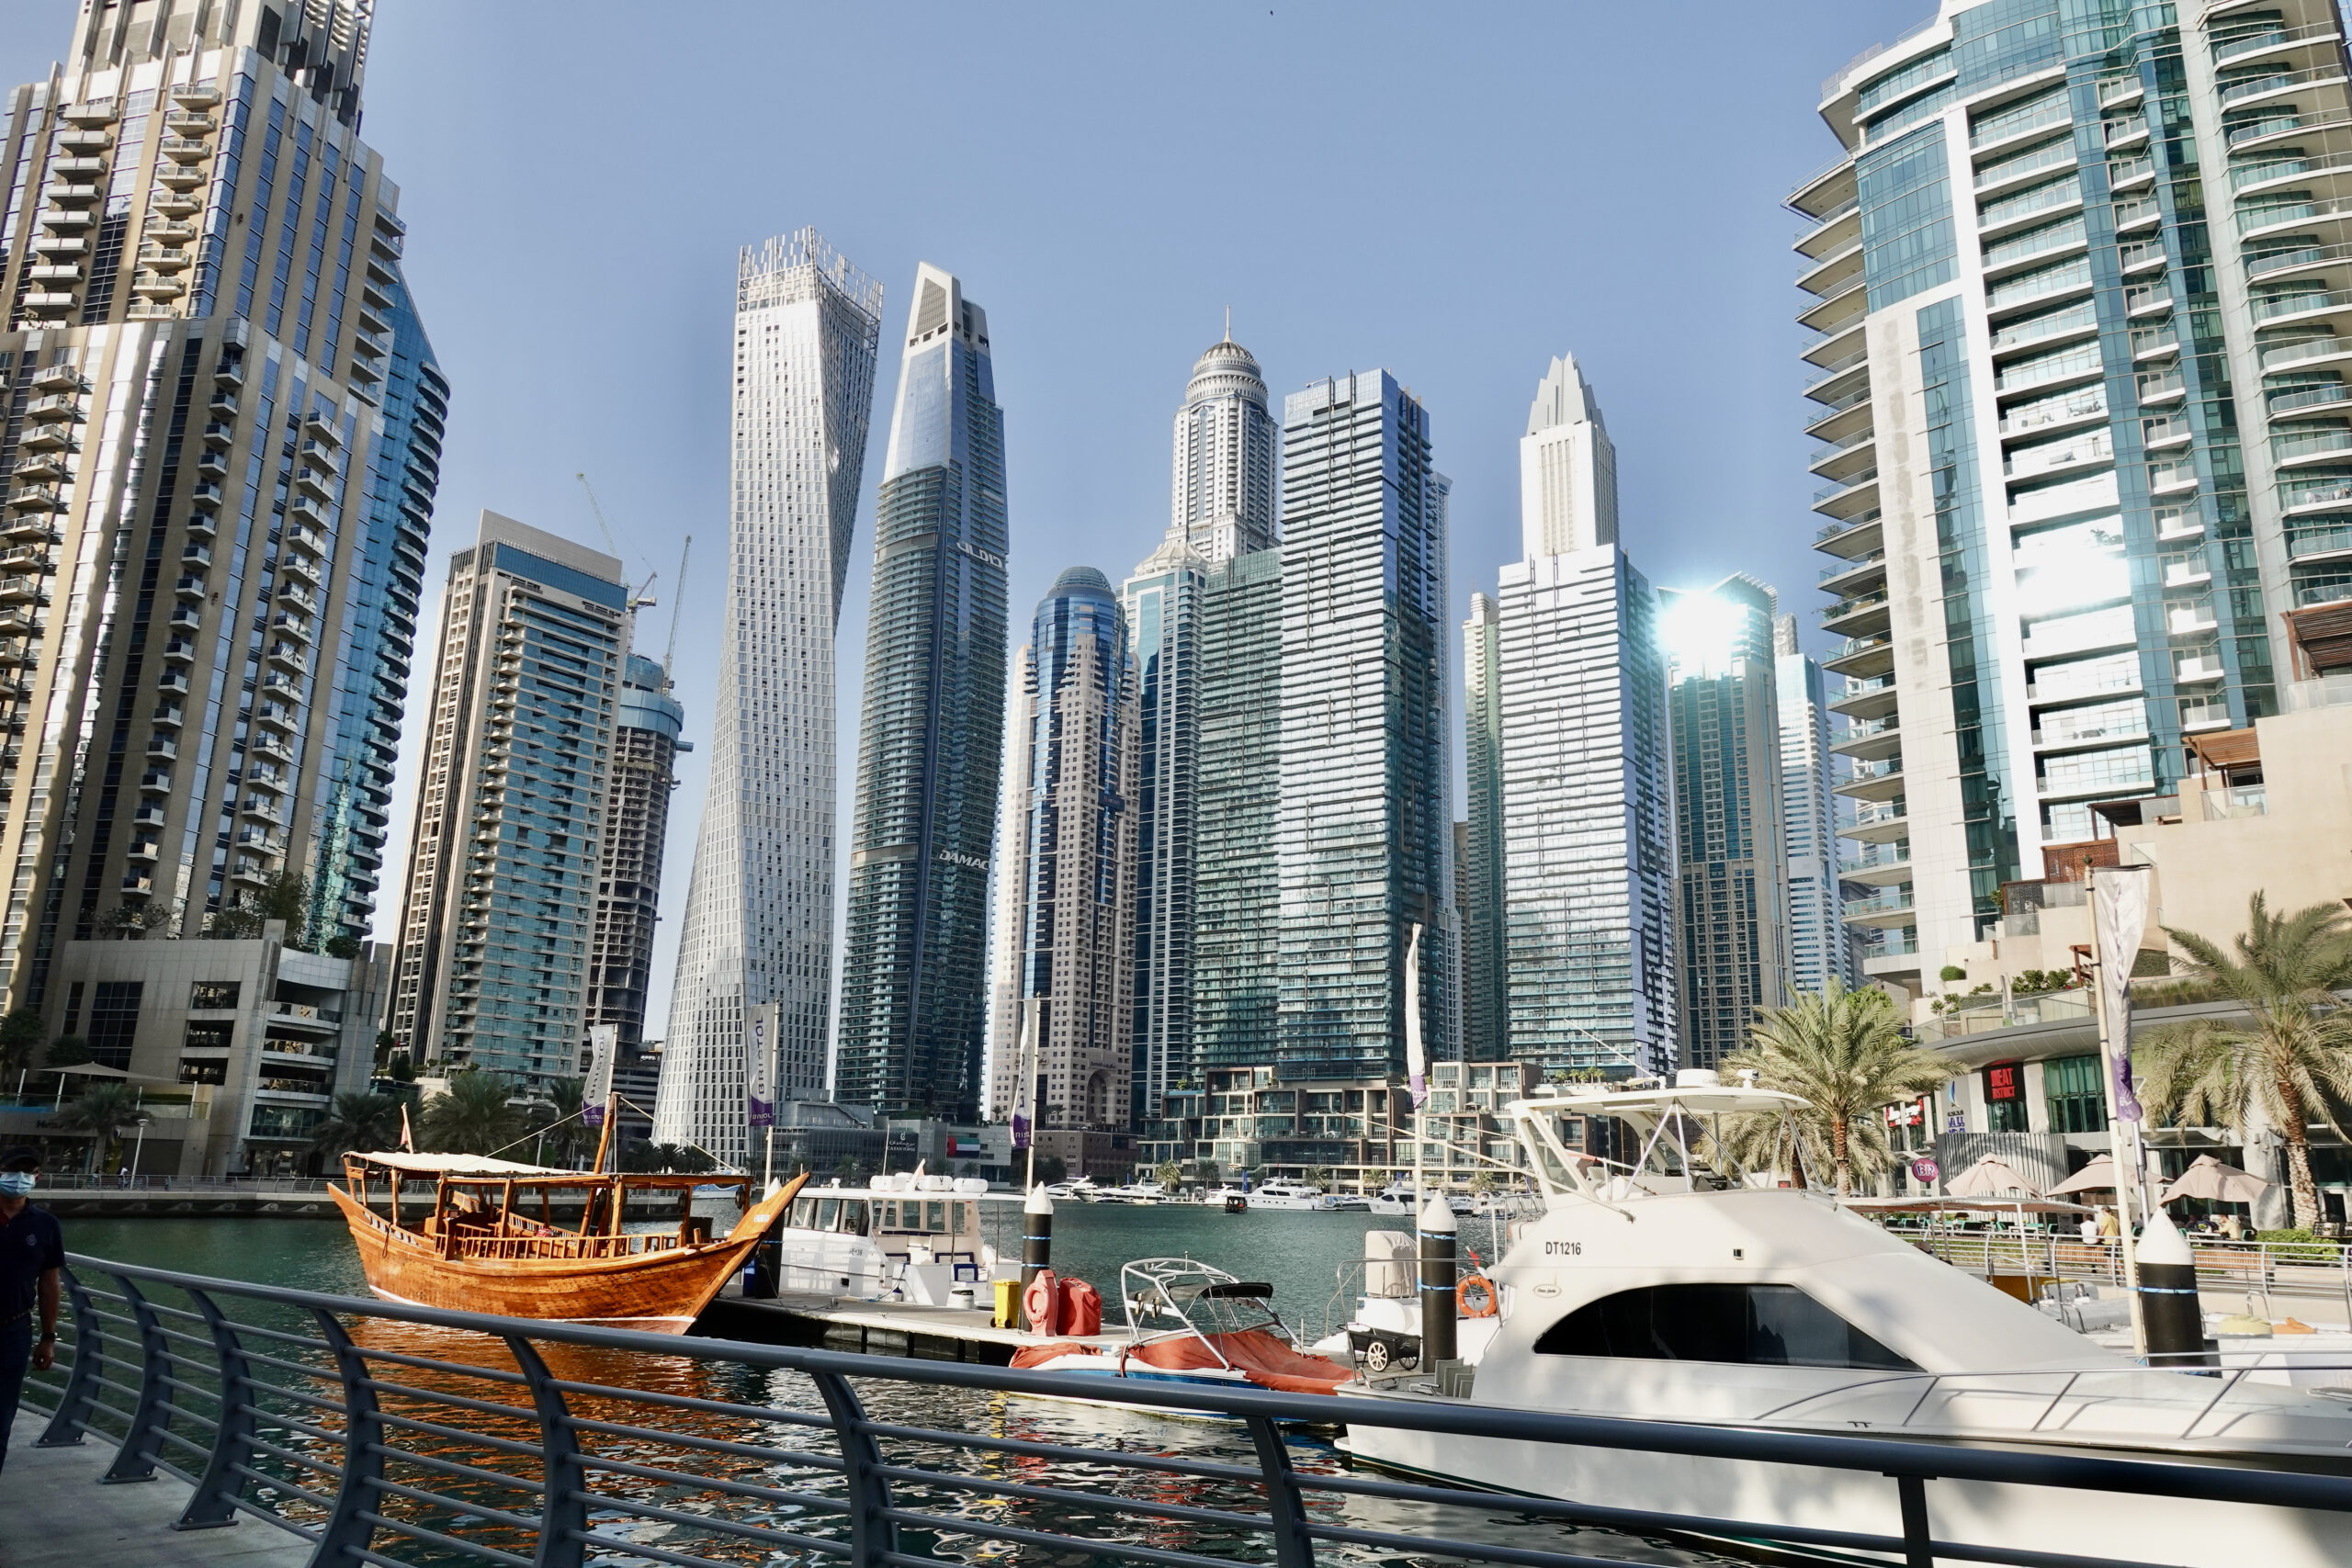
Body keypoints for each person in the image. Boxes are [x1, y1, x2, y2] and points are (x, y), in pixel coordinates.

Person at [0, 1146, 62, 1473]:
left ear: (37, 1177)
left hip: (13, 1331)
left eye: (27, 1172)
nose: (19, 1179)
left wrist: (48, 1336)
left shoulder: (45, 1225)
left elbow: (49, 1283)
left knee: (1, 1419)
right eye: (12, 1170)